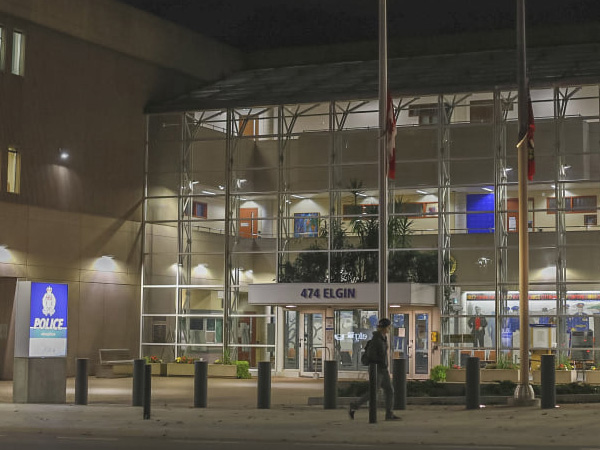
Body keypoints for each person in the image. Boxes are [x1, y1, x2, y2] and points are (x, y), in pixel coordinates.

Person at [348, 318, 400, 421]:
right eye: (388, 327)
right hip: (377, 369)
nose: (389, 329)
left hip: (383, 369)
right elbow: (372, 355)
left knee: (389, 390)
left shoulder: (383, 338)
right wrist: (380, 361)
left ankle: (389, 414)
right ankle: (355, 405)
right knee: (373, 392)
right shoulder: (376, 340)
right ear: (384, 328)